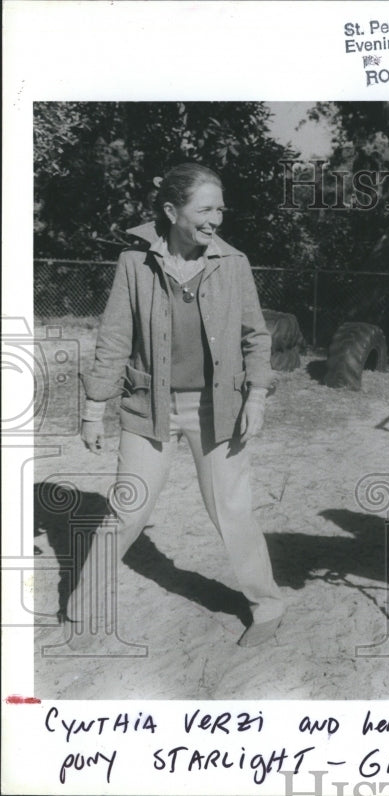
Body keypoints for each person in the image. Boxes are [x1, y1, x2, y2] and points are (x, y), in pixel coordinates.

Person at [71, 162, 285, 647]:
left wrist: (256, 396)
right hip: (149, 407)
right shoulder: (134, 263)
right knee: (126, 511)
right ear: (171, 211)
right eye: (205, 210)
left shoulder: (233, 263)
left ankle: (268, 607)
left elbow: (256, 337)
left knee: (232, 511)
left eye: (220, 210)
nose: (216, 220)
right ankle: (82, 608)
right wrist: (93, 409)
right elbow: (114, 338)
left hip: (219, 408)